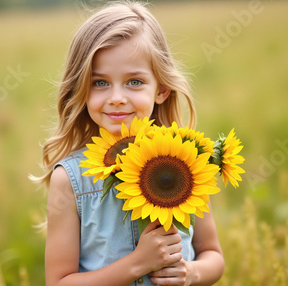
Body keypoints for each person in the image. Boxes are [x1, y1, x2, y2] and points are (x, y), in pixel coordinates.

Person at [34, 2, 224, 285]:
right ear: (81, 89)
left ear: (161, 89)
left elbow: (212, 255)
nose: (117, 97)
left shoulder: (186, 162)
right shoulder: (71, 180)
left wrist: (190, 272)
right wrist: (137, 264)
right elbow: (59, 282)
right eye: (100, 83)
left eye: (134, 82)